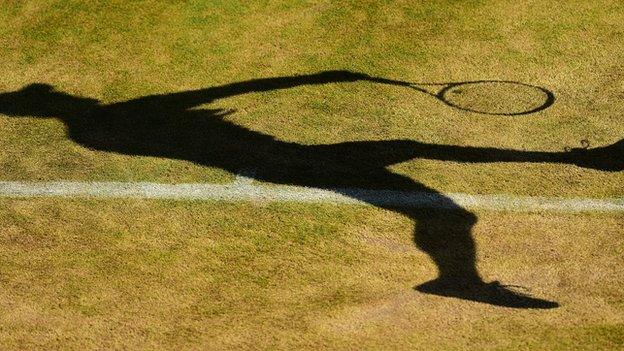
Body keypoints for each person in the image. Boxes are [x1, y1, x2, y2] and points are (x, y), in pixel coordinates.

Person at [1, 71, 621, 307]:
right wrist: (322, 74)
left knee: (417, 147)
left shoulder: (99, 128)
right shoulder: (108, 120)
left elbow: (204, 110)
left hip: (279, 156)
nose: (57, 92)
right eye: (42, 97)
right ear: (40, 109)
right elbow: (223, 98)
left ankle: (596, 166)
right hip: (285, 162)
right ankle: (456, 278)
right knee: (441, 208)